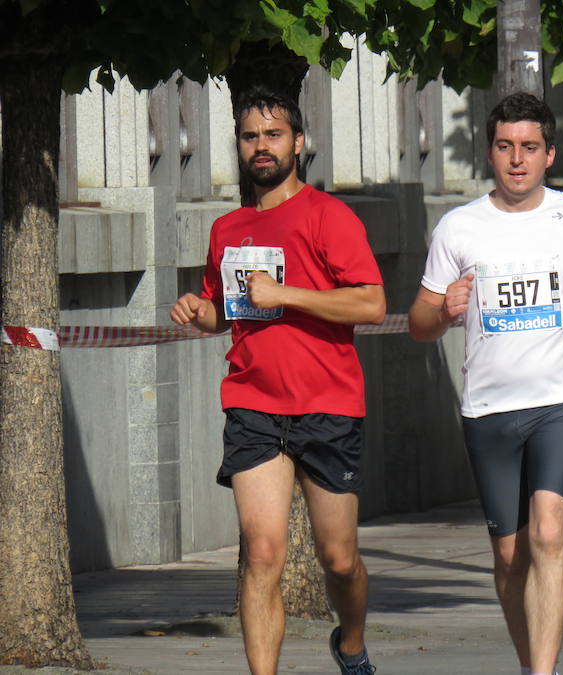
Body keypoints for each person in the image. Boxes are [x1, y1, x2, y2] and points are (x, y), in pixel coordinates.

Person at [408, 92, 563, 675]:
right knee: (511, 557)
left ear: (549, 154)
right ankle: (529, 662)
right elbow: (418, 323)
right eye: (507, 147)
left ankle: (543, 673)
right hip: (488, 408)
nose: (518, 159)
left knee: (548, 531)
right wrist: (443, 311)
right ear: (490, 153)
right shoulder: (458, 228)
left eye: (530, 148)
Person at [170, 86, 384, 675]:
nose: (261, 147)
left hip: (327, 401)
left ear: (299, 142)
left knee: (338, 560)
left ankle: (351, 642)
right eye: (249, 137)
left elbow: (369, 303)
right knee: (262, 553)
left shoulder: (327, 215)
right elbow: (226, 310)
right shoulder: (228, 229)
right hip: (252, 403)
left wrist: (285, 294)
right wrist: (199, 310)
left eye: (273, 134)